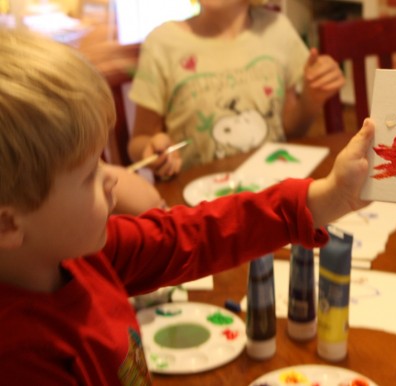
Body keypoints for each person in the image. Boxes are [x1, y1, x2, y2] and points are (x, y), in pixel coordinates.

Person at [0, 29, 374, 385]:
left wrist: (325, 199)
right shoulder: (20, 360)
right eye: (88, 176)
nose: (112, 178)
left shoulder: (81, 253)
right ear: (8, 225)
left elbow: (195, 234)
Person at [127, 0, 345, 178]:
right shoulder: (162, 43)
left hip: (273, 191)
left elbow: (288, 131)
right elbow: (139, 141)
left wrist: (311, 99)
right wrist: (153, 149)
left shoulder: (277, 30)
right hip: (199, 207)